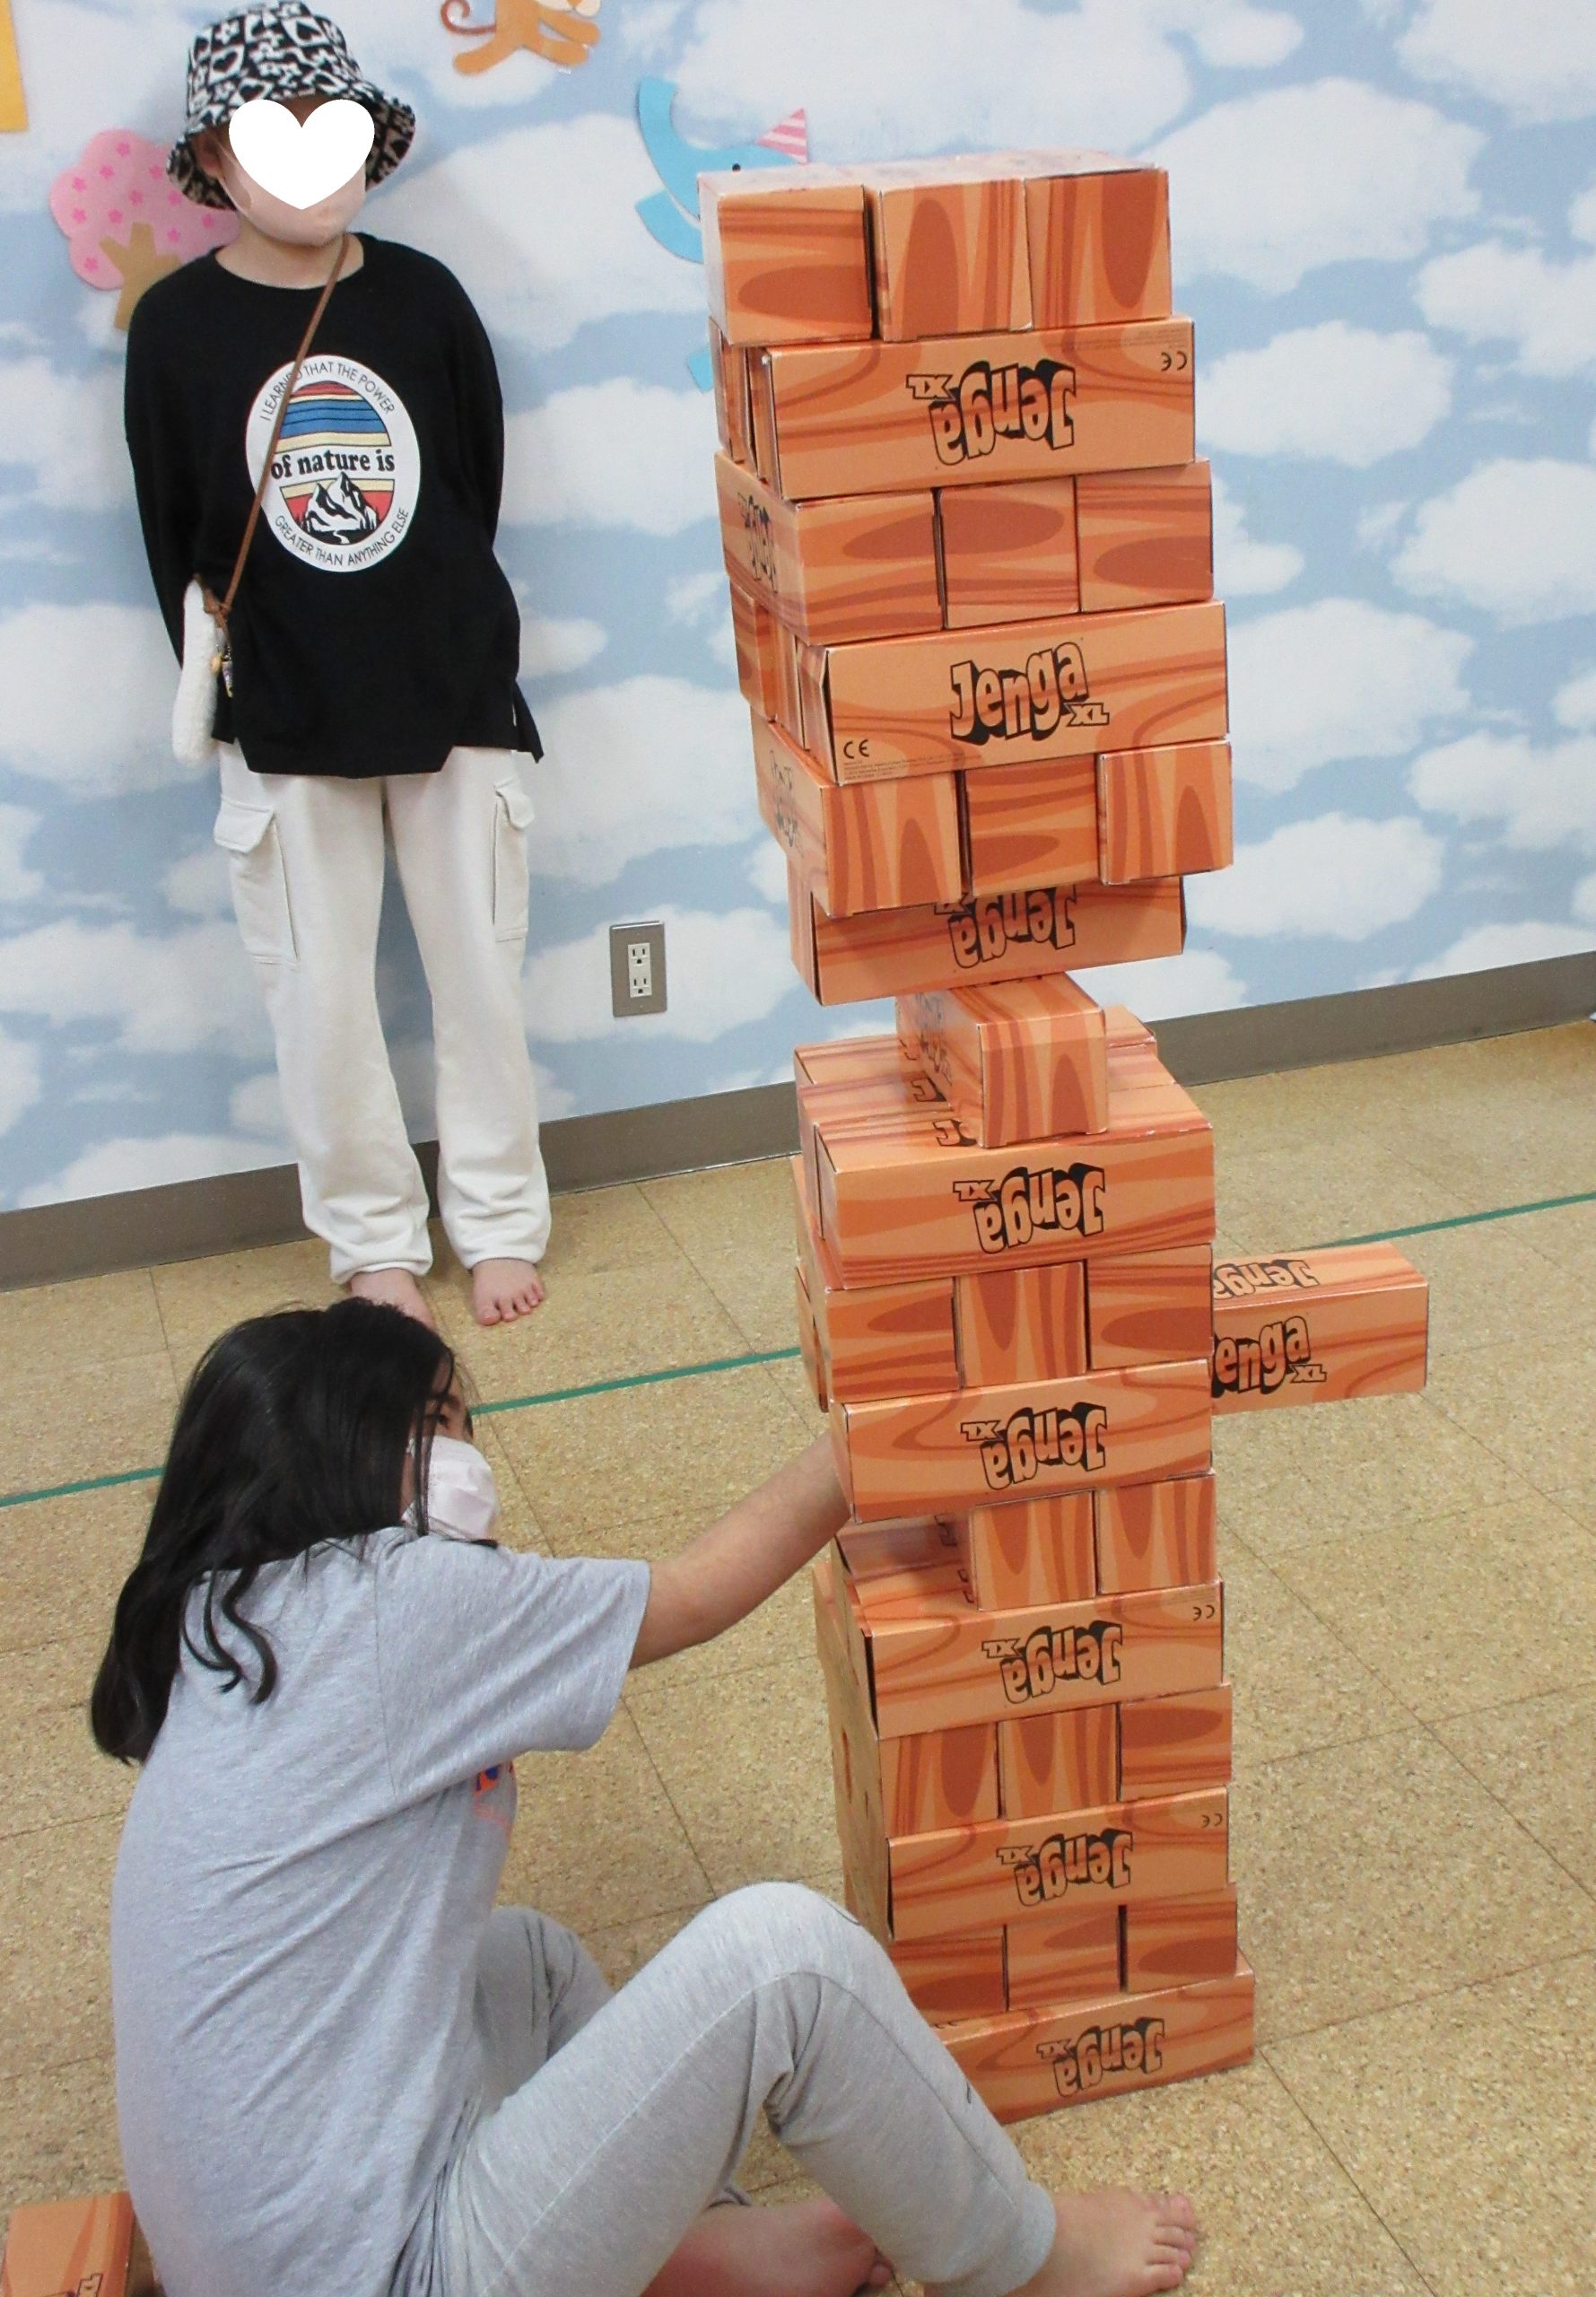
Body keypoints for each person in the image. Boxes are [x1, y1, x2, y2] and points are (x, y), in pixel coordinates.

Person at [92, 1298, 1200, 2297]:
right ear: (362, 1451)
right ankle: (1026, 2261)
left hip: (255, 2265)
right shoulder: (392, 1599)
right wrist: (894, 1424)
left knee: (526, 1969)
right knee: (789, 1963)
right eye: (445, 1426)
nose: (470, 1456)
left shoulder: (221, 1620)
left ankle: (703, 2254)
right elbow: (698, 1593)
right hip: (394, 2273)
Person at [124, 4, 550, 1332]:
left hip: (452, 687)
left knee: (479, 970)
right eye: (273, 139)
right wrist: (245, 679)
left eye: (333, 133)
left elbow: (469, 489)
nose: (308, 165)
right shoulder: (178, 327)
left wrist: (437, 627)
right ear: (215, 158)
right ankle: (369, 1242)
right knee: (315, 991)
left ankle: (495, 1219)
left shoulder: (423, 297)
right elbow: (174, 528)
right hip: (283, 704)